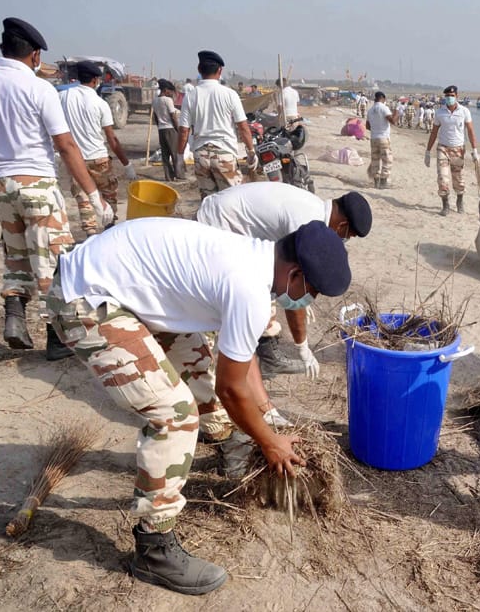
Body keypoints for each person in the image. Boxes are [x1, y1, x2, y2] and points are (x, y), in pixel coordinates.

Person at [43, 218, 350, 594]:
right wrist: (270, 442)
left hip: (114, 278)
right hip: (87, 301)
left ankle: (227, 443)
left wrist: (266, 416)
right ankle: (154, 550)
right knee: (174, 414)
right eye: (311, 290)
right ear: (295, 272)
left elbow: (243, 356)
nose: (308, 300)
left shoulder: (252, 255)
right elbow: (232, 387)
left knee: (196, 357)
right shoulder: (248, 287)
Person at [0, 17, 107, 360]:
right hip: (37, 184)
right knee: (54, 259)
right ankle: (56, 337)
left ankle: (15, 316)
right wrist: (93, 194)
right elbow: (65, 145)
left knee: (16, 253)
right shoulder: (39, 88)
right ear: (34, 55)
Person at [197, 183, 371, 380]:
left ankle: (267, 355)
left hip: (233, 220)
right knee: (227, 300)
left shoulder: (315, 207)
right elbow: (290, 289)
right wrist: (303, 348)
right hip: (218, 225)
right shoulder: (305, 222)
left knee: (266, 283)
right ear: (342, 225)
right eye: (348, 235)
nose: (344, 240)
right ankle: (202, 364)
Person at [57, 60, 136, 236]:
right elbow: (111, 138)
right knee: (109, 197)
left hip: (75, 159)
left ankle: (91, 236)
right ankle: (110, 232)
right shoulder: (100, 103)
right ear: (95, 80)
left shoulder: (63, 97)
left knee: (84, 201)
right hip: (99, 159)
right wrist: (127, 165)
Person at [177, 51, 257, 199]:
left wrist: (180, 157)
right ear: (220, 70)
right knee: (232, 201)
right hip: (224, 154)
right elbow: (243, 127)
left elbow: (183, 131)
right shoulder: (230, 94)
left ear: (199, 69)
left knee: (208, 203)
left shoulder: (190, 96)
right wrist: (251, 151)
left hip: (201, 156)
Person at [425, 85, 478, 216]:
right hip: (442, 148)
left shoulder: (464, 111)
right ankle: (445, 205)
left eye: (452, 96)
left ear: (457, 96)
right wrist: (427, 151)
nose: (449, 98)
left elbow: (470, 131)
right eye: (447, 96)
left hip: (458, 149)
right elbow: (434, 132)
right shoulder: (440, 112)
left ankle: (460, 200)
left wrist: (475, 149)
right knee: (442, 178)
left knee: (458, 178)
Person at [366, 91, 396, 189]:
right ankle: (383, 182)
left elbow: (367, 126)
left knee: (375, 160)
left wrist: (375, 129)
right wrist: (397, 113)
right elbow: (393, 121)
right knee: (387, 160)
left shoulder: (370, 110)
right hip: (383, 137)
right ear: (383, 98)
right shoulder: (384, 108)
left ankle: (376, 182)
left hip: (373, 138)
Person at [152, 79, 180, 182]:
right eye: (170, 91)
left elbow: (155, 116)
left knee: (165, 155)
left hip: (161, 130)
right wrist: (178, 130)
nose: (171, 93)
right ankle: (179, 175)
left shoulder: (154, 100)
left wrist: (159, 126)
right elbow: (173, 116)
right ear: (165, 90)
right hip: (170, 129)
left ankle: (168, 176)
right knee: (175, 153)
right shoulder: (168, 100)